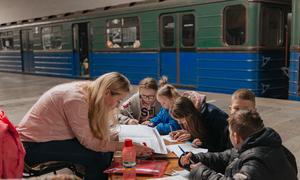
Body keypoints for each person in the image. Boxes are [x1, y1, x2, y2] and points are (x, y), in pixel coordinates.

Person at [17, 72, 153, 180]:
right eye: (118, 101)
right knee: (98, 156)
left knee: (106, 151)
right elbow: (91, 142)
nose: (117, 106)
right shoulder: (76, 99)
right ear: (107, 93)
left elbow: (90, 131)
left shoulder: (90, 90)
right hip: (31, 146)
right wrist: (127, 146)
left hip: (46, 140)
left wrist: (117, 139)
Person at [179, 110, 298, 180]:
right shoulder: (256, 144)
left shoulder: (256, 161)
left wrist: (201, 172)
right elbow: (223, 157)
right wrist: (195, 158)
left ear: (235, 137)